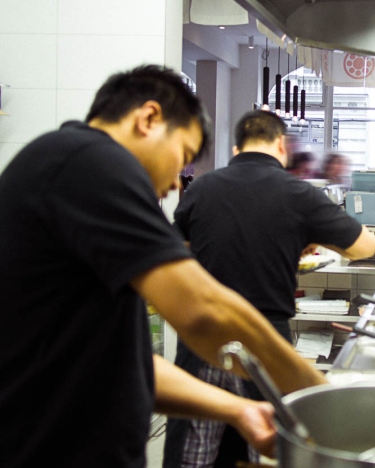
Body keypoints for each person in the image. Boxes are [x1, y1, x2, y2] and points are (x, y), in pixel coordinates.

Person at [0, 65, 327, 468]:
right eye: (184, 156)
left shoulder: (74, 169)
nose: (177, 182)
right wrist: (322, 401)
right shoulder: (89, 160)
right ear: (149, 118)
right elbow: (204, 311)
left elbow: (127, 364)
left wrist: (237, 409)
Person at [164, 110, 375, 468]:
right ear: (281, 144)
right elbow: (365, 247)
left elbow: (176, 246)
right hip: (264, 339)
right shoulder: (298, 193)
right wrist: (300, 238)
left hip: (203, 334)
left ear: (236, 148)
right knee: (262, 448)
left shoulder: (202, 186)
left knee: (191, 455)